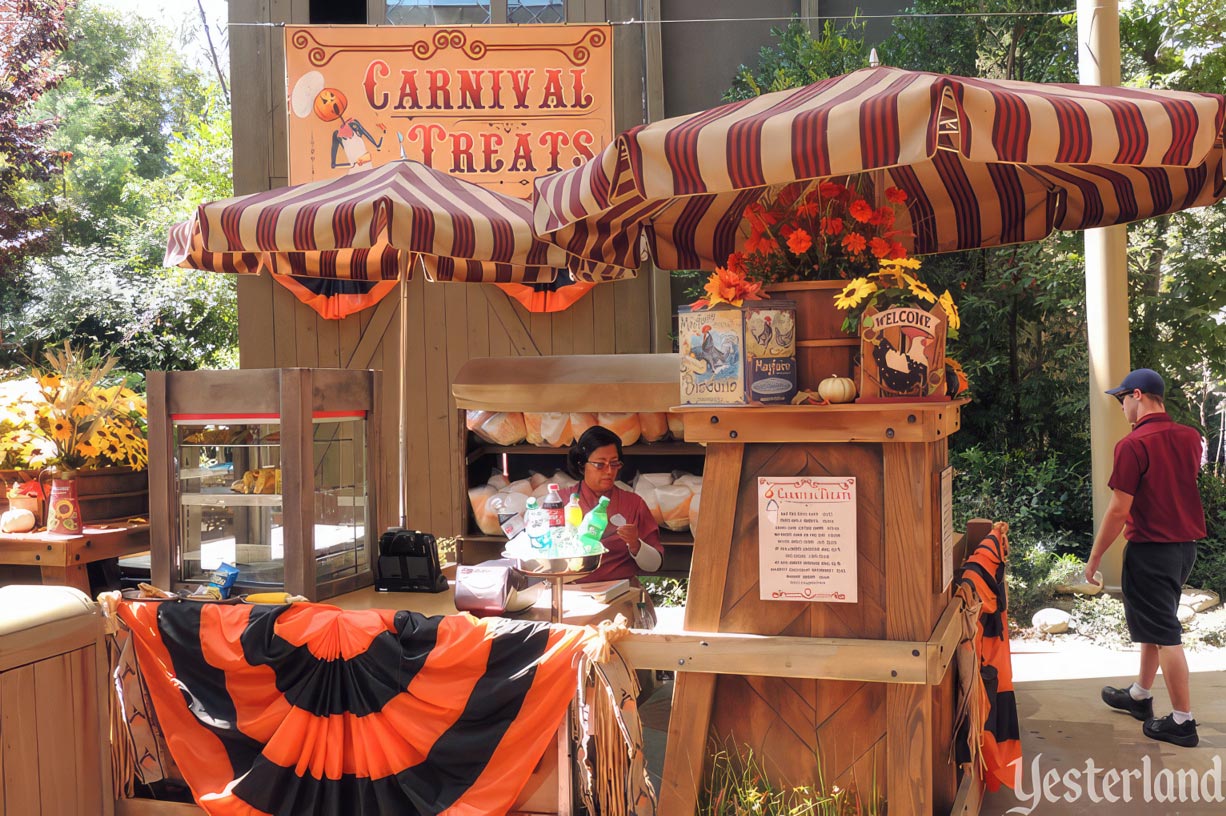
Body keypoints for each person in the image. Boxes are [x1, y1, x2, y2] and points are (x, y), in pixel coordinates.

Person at [1087, 368, 1206, 747]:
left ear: (1138, 395)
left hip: (1151, 550)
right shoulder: (1191, 438)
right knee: (1157, 624)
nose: (1121, 406)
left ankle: (1182, 722)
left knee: (1166, 633)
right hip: (1183, 548)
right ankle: (1140, 695)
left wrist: (1094, 559)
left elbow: (1119, 510)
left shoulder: (1132, 445)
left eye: (1122, 398)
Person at [565, 425, 664, 584]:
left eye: (614, 464)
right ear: (582, 464)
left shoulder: (633, 504)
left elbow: (655, 564)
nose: (609, 471)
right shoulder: (561, 502)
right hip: (570, 592)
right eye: (600, 464)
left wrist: (636, 544)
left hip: (621, 592)